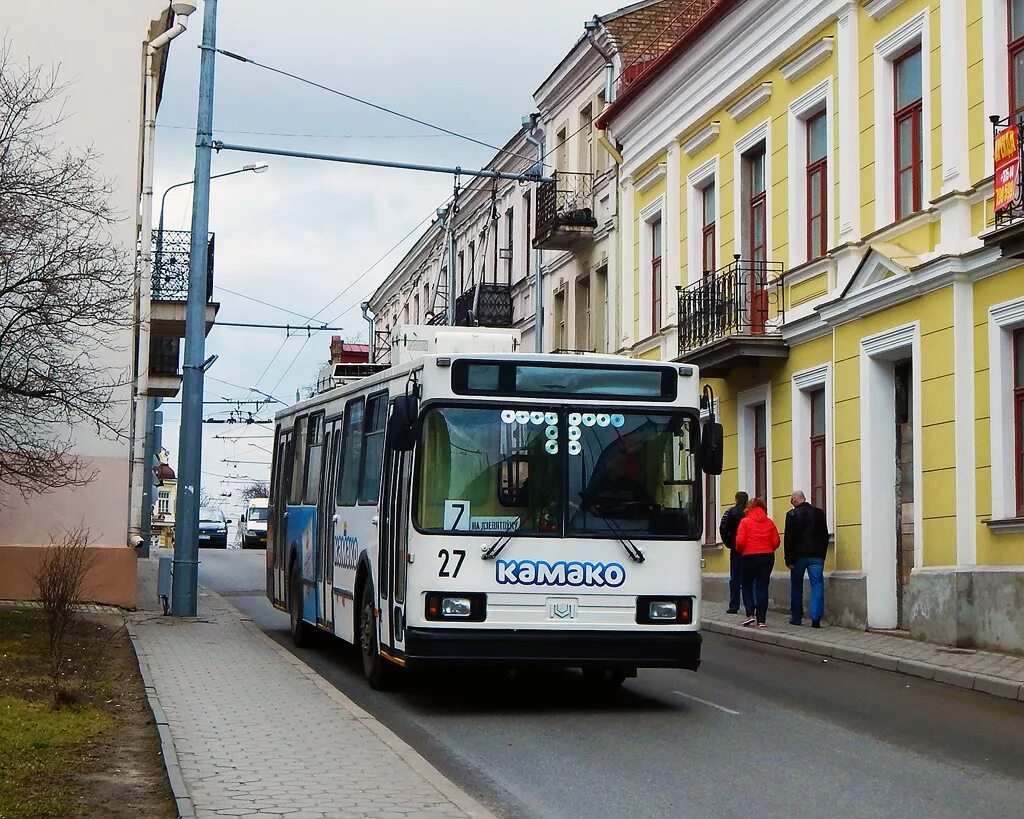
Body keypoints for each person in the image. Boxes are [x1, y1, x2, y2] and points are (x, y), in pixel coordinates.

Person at [785, 489, 829, 628]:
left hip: (798, 557)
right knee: (817, 585)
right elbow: (825, 535)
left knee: (797, 586)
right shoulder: (819, 513)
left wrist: (789, 559)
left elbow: (789, 539)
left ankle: (796, 617)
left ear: (794, 499)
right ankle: (815, 618)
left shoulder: (791, 515)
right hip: (817, 556)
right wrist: (822, 554)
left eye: (792, 500)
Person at [734, 497, 780, 628]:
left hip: (749, 556)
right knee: (762, 587)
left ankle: (750, 614)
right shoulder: (769, 523)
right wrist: (768, 548)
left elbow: (740, 542)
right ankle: (761, 620)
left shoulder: (745, 522)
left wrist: (741, 550)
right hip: (767, 557)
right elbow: (776, 541)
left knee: (747, 585)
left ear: (749, 508)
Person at [718, 491, 749, 614]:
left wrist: (729, 543)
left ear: (736, 499)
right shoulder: (749, 513)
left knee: (735, 577)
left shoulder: (731, 512)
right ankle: (751, 606)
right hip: (749, 548)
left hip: (736, 548)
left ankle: (734, 606)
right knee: (749, 578)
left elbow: (723, 527)